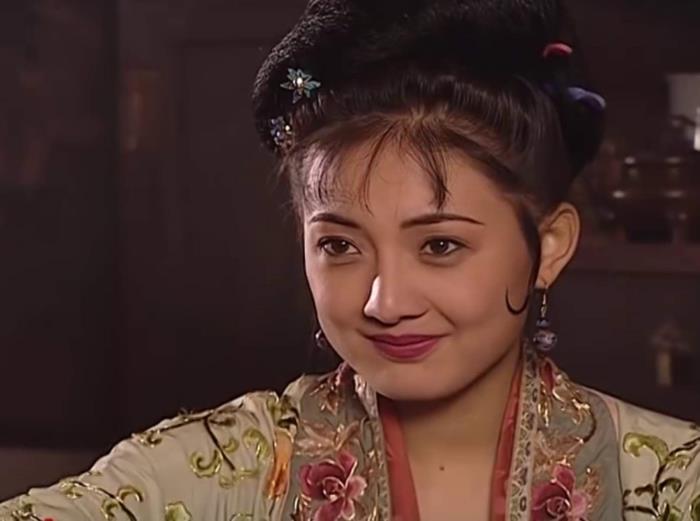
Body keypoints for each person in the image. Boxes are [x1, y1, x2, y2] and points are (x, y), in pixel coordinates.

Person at [3, 0, 699, 520]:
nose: (382, 301)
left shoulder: (666, 481)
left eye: (440, 245)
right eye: (339, 245)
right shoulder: (230, 468)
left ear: (549, 246)